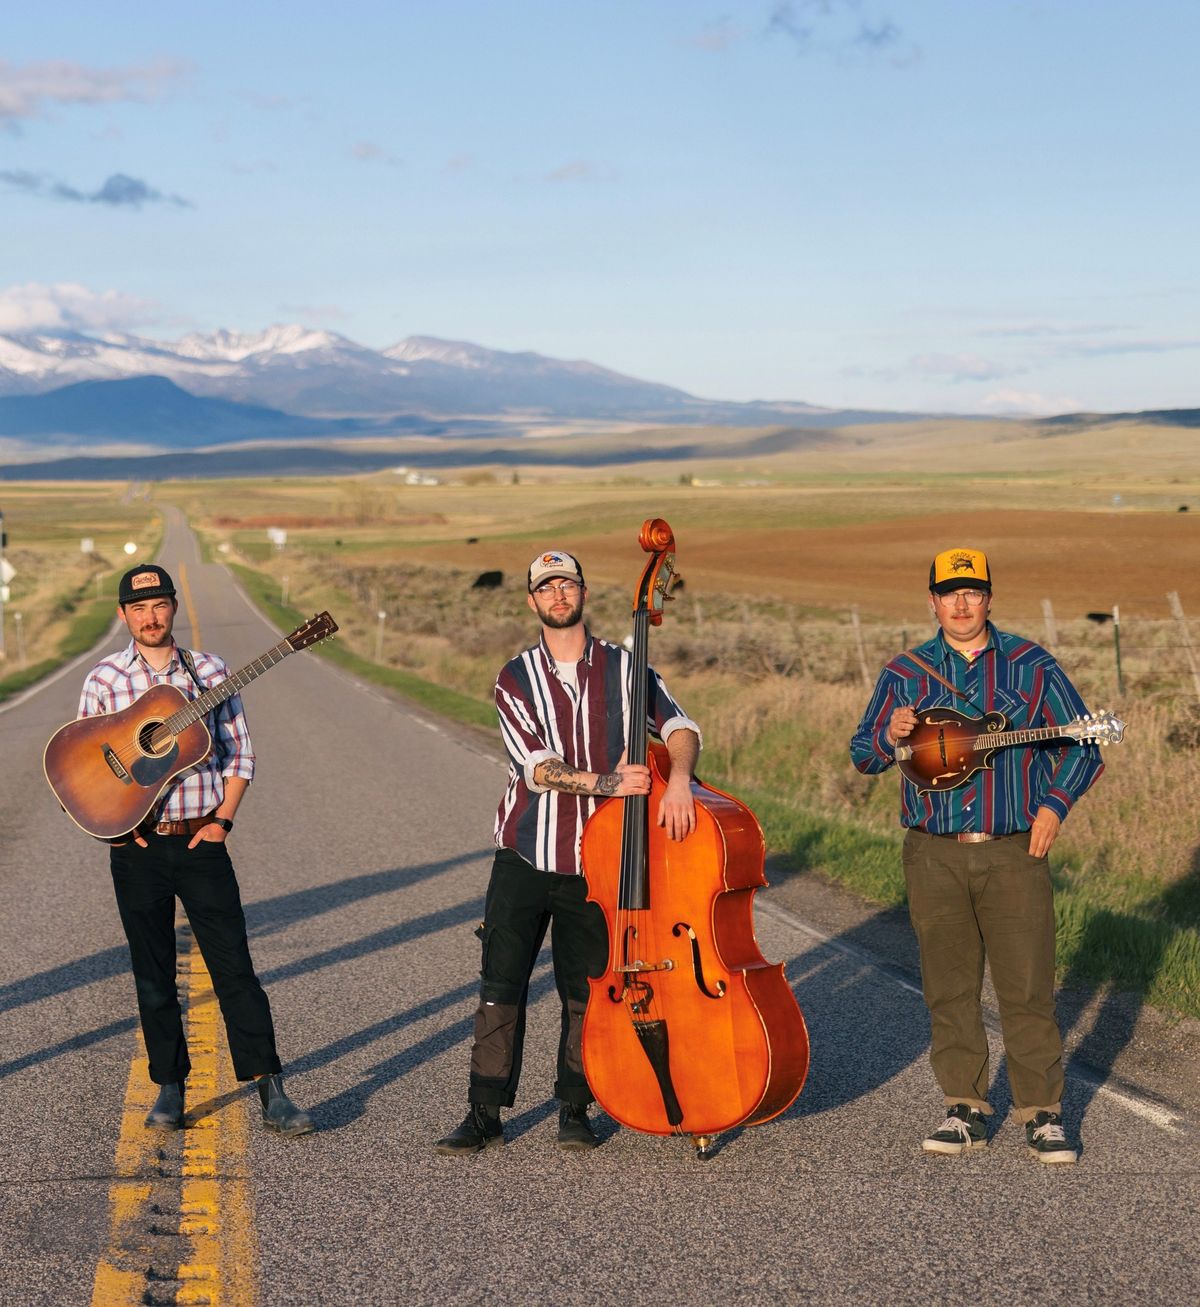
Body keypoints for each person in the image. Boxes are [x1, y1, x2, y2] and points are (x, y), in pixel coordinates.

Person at [435, 547, 701, 1154]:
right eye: (547, 588)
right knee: (501, 982)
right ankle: (484, 1112)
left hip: (599, 863)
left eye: (568, 585)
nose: (558, 596)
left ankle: (575, 1107)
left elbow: (682, 725)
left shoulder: (626, 666)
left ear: (583, 593)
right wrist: (609, 783)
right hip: (527, 851)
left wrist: (679, 778)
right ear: (532, 601)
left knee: (587, 990)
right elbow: (537, 768)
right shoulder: (514, 677)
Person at [850, 547, 1103, 1165]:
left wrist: (1052, 807)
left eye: (973, 591)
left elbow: (1085, 743)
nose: (961, 603)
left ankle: (1042, 1114)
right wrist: (890, 736)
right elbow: (862, 753)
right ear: (931, 599)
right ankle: (963, 1108)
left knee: (1027, 987)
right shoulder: (904, 672)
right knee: (949, 988)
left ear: (989, 596)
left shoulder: (1032, 666)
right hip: (932, 853)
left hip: (1013, 849)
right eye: (949, 592)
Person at [77, 564, 312, 1136]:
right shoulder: (104, 679)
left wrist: (223, 821)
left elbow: (240, 754)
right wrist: (114, 828)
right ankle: (169, 1087)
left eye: (159, 605)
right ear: (123, 615)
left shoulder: (210, 672)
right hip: (137, 848)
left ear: (174, 607)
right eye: (138, 609)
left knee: (235, 966)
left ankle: (269, 1087)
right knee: (153, 974)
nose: (150, 617)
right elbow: (84, 765)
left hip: (202, 839)